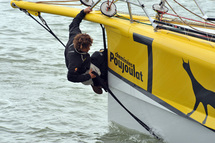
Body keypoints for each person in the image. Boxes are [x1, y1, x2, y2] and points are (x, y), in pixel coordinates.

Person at [64, 7, 106, 94]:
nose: (89, 49)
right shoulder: (76, 61)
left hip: (85, 63)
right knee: (100, 63)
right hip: (83, 74)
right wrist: (88, 76)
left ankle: (94, 81)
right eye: (87, 48)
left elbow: (74, 23)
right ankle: (96, 83)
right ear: (81, 47)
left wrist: (83, 12)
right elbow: (70, 77)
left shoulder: (75, 35)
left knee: (100, 53)